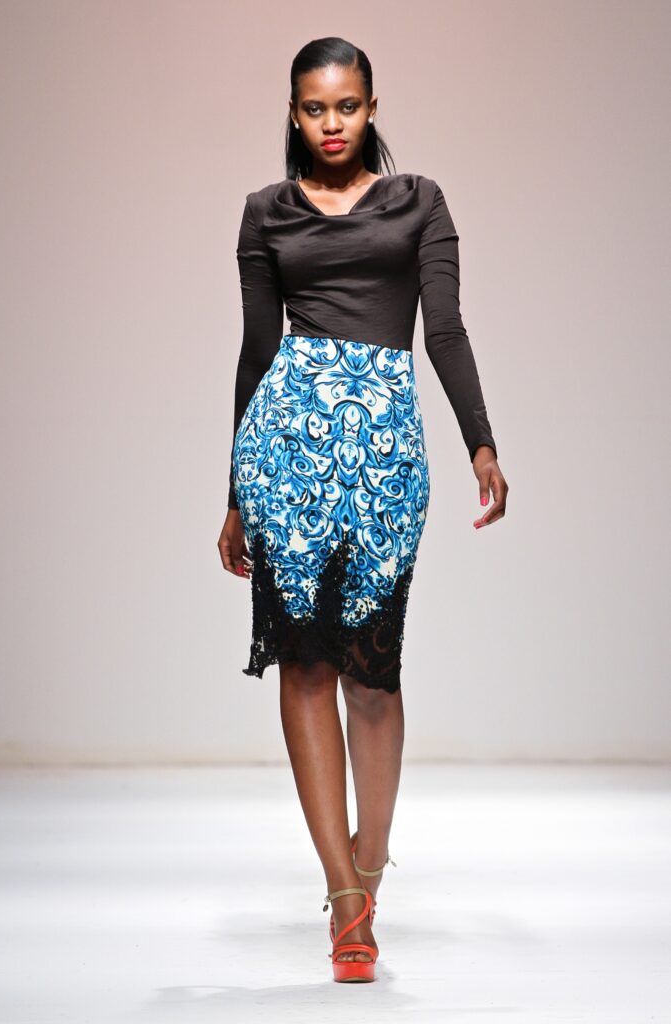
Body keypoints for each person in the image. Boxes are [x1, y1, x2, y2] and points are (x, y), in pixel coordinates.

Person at [217, 36, 509, 983]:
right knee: (304, 664)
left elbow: (445, 330)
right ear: (294, 112)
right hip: (285, 453)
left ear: (372, 107)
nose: (332, 123)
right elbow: (257, 352)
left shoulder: (418, 201)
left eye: (347, 106)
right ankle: (345, 900)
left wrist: (481, 442)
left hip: (385, 453)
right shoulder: (266, 213)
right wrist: (233, 494)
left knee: (372, 676)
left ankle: (370, 858)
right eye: (315, 108)